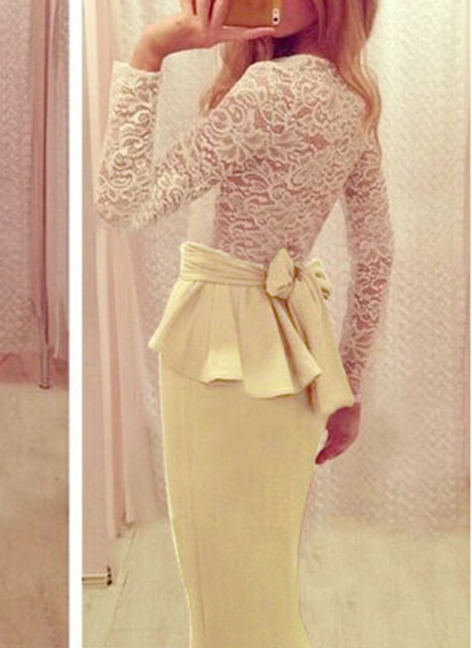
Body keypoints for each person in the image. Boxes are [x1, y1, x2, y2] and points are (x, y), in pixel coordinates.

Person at [94, 0, 395, 646]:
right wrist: (348, 387)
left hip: (219, 350)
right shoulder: (354, 102)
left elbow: (123, 200)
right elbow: (376, 252)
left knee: (224, 600)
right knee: (263, 584)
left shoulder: (266, 91)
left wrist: (150, 50)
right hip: (296, 354)